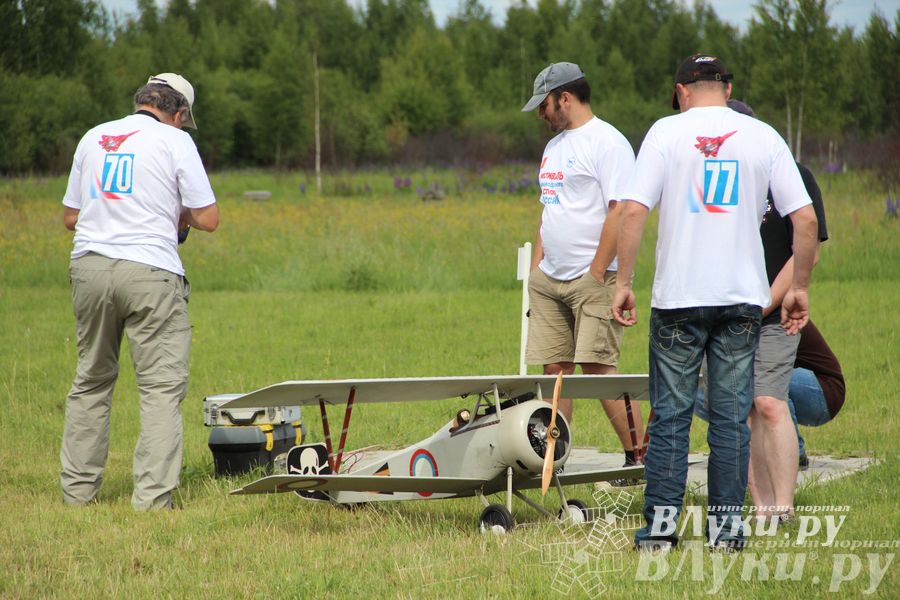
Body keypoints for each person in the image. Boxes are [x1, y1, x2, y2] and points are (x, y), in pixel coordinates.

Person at [611, 54, 819, 551]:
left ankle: (660, 532)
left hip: (678, 299)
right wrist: (799, 288)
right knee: (730, 419)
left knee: (672, 417)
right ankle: (727, 532)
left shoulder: (664, 132)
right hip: (741, 303)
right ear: (726, 88)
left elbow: (635, 209)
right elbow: (806, 221)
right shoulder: (763, 135)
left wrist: (624, 281)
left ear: (682, 90)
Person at [60, 73, 219, 511]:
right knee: (160, 389)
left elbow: (71, 217)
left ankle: (77, 493)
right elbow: (208, 218)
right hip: (151, 273)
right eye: (185, 121)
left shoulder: (94, 136)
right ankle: (151, 500)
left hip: (89, 268)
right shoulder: (175, 141)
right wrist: (179, 215)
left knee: (91, 380)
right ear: (179, 112)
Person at [520, 62, 644, 473]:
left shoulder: (608, 143)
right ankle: (552, 460)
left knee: (598, 369)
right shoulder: (554, 147)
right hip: (549, 278)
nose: (542, 114)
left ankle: (637, 459)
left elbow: (620, 210)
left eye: (546, 105)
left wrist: (595, 273)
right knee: (554, 370)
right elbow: (549, 207)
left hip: (593, 279)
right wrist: (538, 266)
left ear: (566, 98)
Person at [789, 320, 845, 469]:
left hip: (824, 391)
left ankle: (794, 453)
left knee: (766, 382)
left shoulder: (777, 311)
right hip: (808, 387)